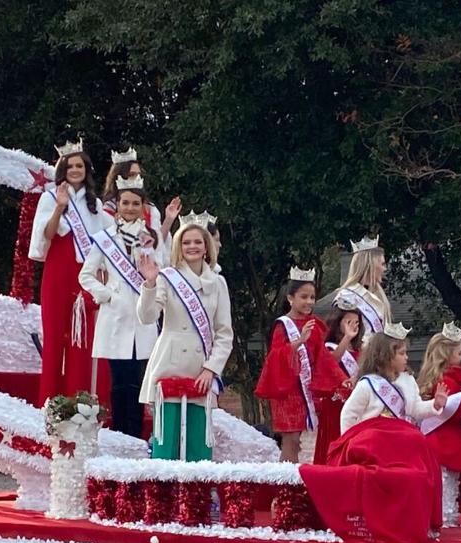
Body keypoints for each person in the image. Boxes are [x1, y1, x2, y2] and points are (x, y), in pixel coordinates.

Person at [298, 328, 443, 543]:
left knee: (418, 442)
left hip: (400, 441)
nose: (406, 358)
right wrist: (346, 443)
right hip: (371, 439)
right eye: (401, 353)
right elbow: (349, 414)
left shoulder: (407, 381)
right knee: (376, 440)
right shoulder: (367, 384)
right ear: (386, 355)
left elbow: (414, 410)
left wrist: (435, 404)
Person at [136, 221, 233, 461]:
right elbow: (147, 317)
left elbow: (224, 333)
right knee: (165, 444)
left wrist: (211, 369)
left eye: (198, 242)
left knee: (198, 446)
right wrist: (149, 284)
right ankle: (161, 497)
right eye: (186, 242)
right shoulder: (168, 278)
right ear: (179, 246)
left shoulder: (218, 283)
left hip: (200, 368)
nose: (192, 246)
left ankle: (197, 497)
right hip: (169, 364)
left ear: (207, 246)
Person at [77, 175, 163, 439]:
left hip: (143, 316)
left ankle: (136, 436)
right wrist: (106, 295)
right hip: (115, 316)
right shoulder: (105, 238)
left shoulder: (152, 238)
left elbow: (162, 271)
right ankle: (119, 436)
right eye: (125, 203)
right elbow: (86, 275)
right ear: (118, 205)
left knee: (138, 382)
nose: (129, 208)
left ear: (142, 206)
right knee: (118, 382)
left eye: (135, 204)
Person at [28, 139, 112, 405]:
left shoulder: (95, 205)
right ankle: (49, 404)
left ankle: (79, 405)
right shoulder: (49, 198)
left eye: (80, 166)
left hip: (84, 276)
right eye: (70, 166)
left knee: (81, 342)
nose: (75, 170)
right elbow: (48, 235)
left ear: (86, 170)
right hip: (58, 273)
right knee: (54, 339)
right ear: (62, 170)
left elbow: (106, 243)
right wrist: (60, 207)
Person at [254, 267, 344, 463]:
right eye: (304, 297)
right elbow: (275, 358)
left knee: (309, 441)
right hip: (287, 390)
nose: (309, 302)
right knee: (291, 440)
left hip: (308, 389)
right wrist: (298, 342)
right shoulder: (282, 325)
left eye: (312, 297)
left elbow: (324, 359)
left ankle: (302, 482)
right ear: (290, 298)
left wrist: (341, 379)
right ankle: (286, 488)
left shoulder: (315, 324)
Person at [416, 324, 461, 522]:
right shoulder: (447, 381)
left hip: (443, 434)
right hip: (443, 436)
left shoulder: (444, 377)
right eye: (458, 353)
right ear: (447, 355)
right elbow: (451, 412)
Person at [313, 308, 363, 464]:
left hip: (355, 401)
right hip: (335, 403)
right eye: (348, 322)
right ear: (338, 322)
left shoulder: (358, 349)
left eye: (356, 322)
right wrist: (347, 338)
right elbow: (332, 361)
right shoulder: (329, 346)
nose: (353, 326)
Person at [100, 147, 181, 244]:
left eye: (139, 175)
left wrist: (169, 219)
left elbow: (158, 244)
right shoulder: (107, 211)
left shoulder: (150, 209)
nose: (136, 178)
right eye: (132, 174)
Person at [331, 236, 391, 335]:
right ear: (370, 265)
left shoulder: (377, 295)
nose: (385, 269)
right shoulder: (346, 296)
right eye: (382, 264)